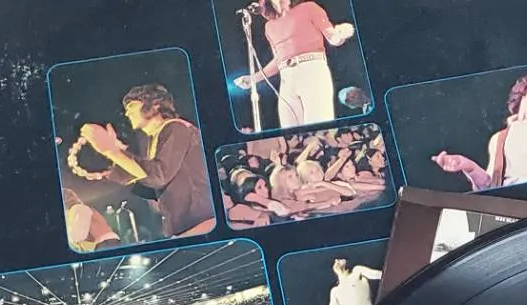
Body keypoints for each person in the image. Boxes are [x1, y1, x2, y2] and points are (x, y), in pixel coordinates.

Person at [75, 83, 216, 238]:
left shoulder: (176, 128)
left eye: (132, 106)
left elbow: (158, 176)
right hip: (187, 228)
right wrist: (117, 159)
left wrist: (112, 151)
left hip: (200, 225)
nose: (127, 113)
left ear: (155, 104)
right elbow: (154, 186)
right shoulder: (156, 139)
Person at [233, 0, 357, 131]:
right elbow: (279, 59)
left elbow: (333, 38)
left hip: (312, 70)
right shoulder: (269, 26)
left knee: (319, 128)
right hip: (287, 78)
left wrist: (341, 33)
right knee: (290, 131)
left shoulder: (309, 8)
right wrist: (253, 78)